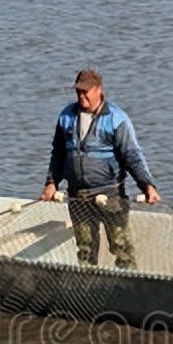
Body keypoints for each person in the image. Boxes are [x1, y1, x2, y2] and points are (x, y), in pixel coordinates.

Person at [41, 68, 160, 268]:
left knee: (121, 248)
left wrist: (147, 185)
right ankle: (88, 284)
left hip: (111, 195)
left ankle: (130, 281)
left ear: (99, 90)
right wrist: (51, 182)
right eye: (78, 91)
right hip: (78, 196)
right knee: (85, 249)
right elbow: (58, 154)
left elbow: (132, 155)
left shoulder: (116, 118)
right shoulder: (66, 116)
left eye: (86, 91)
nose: (81, 96)